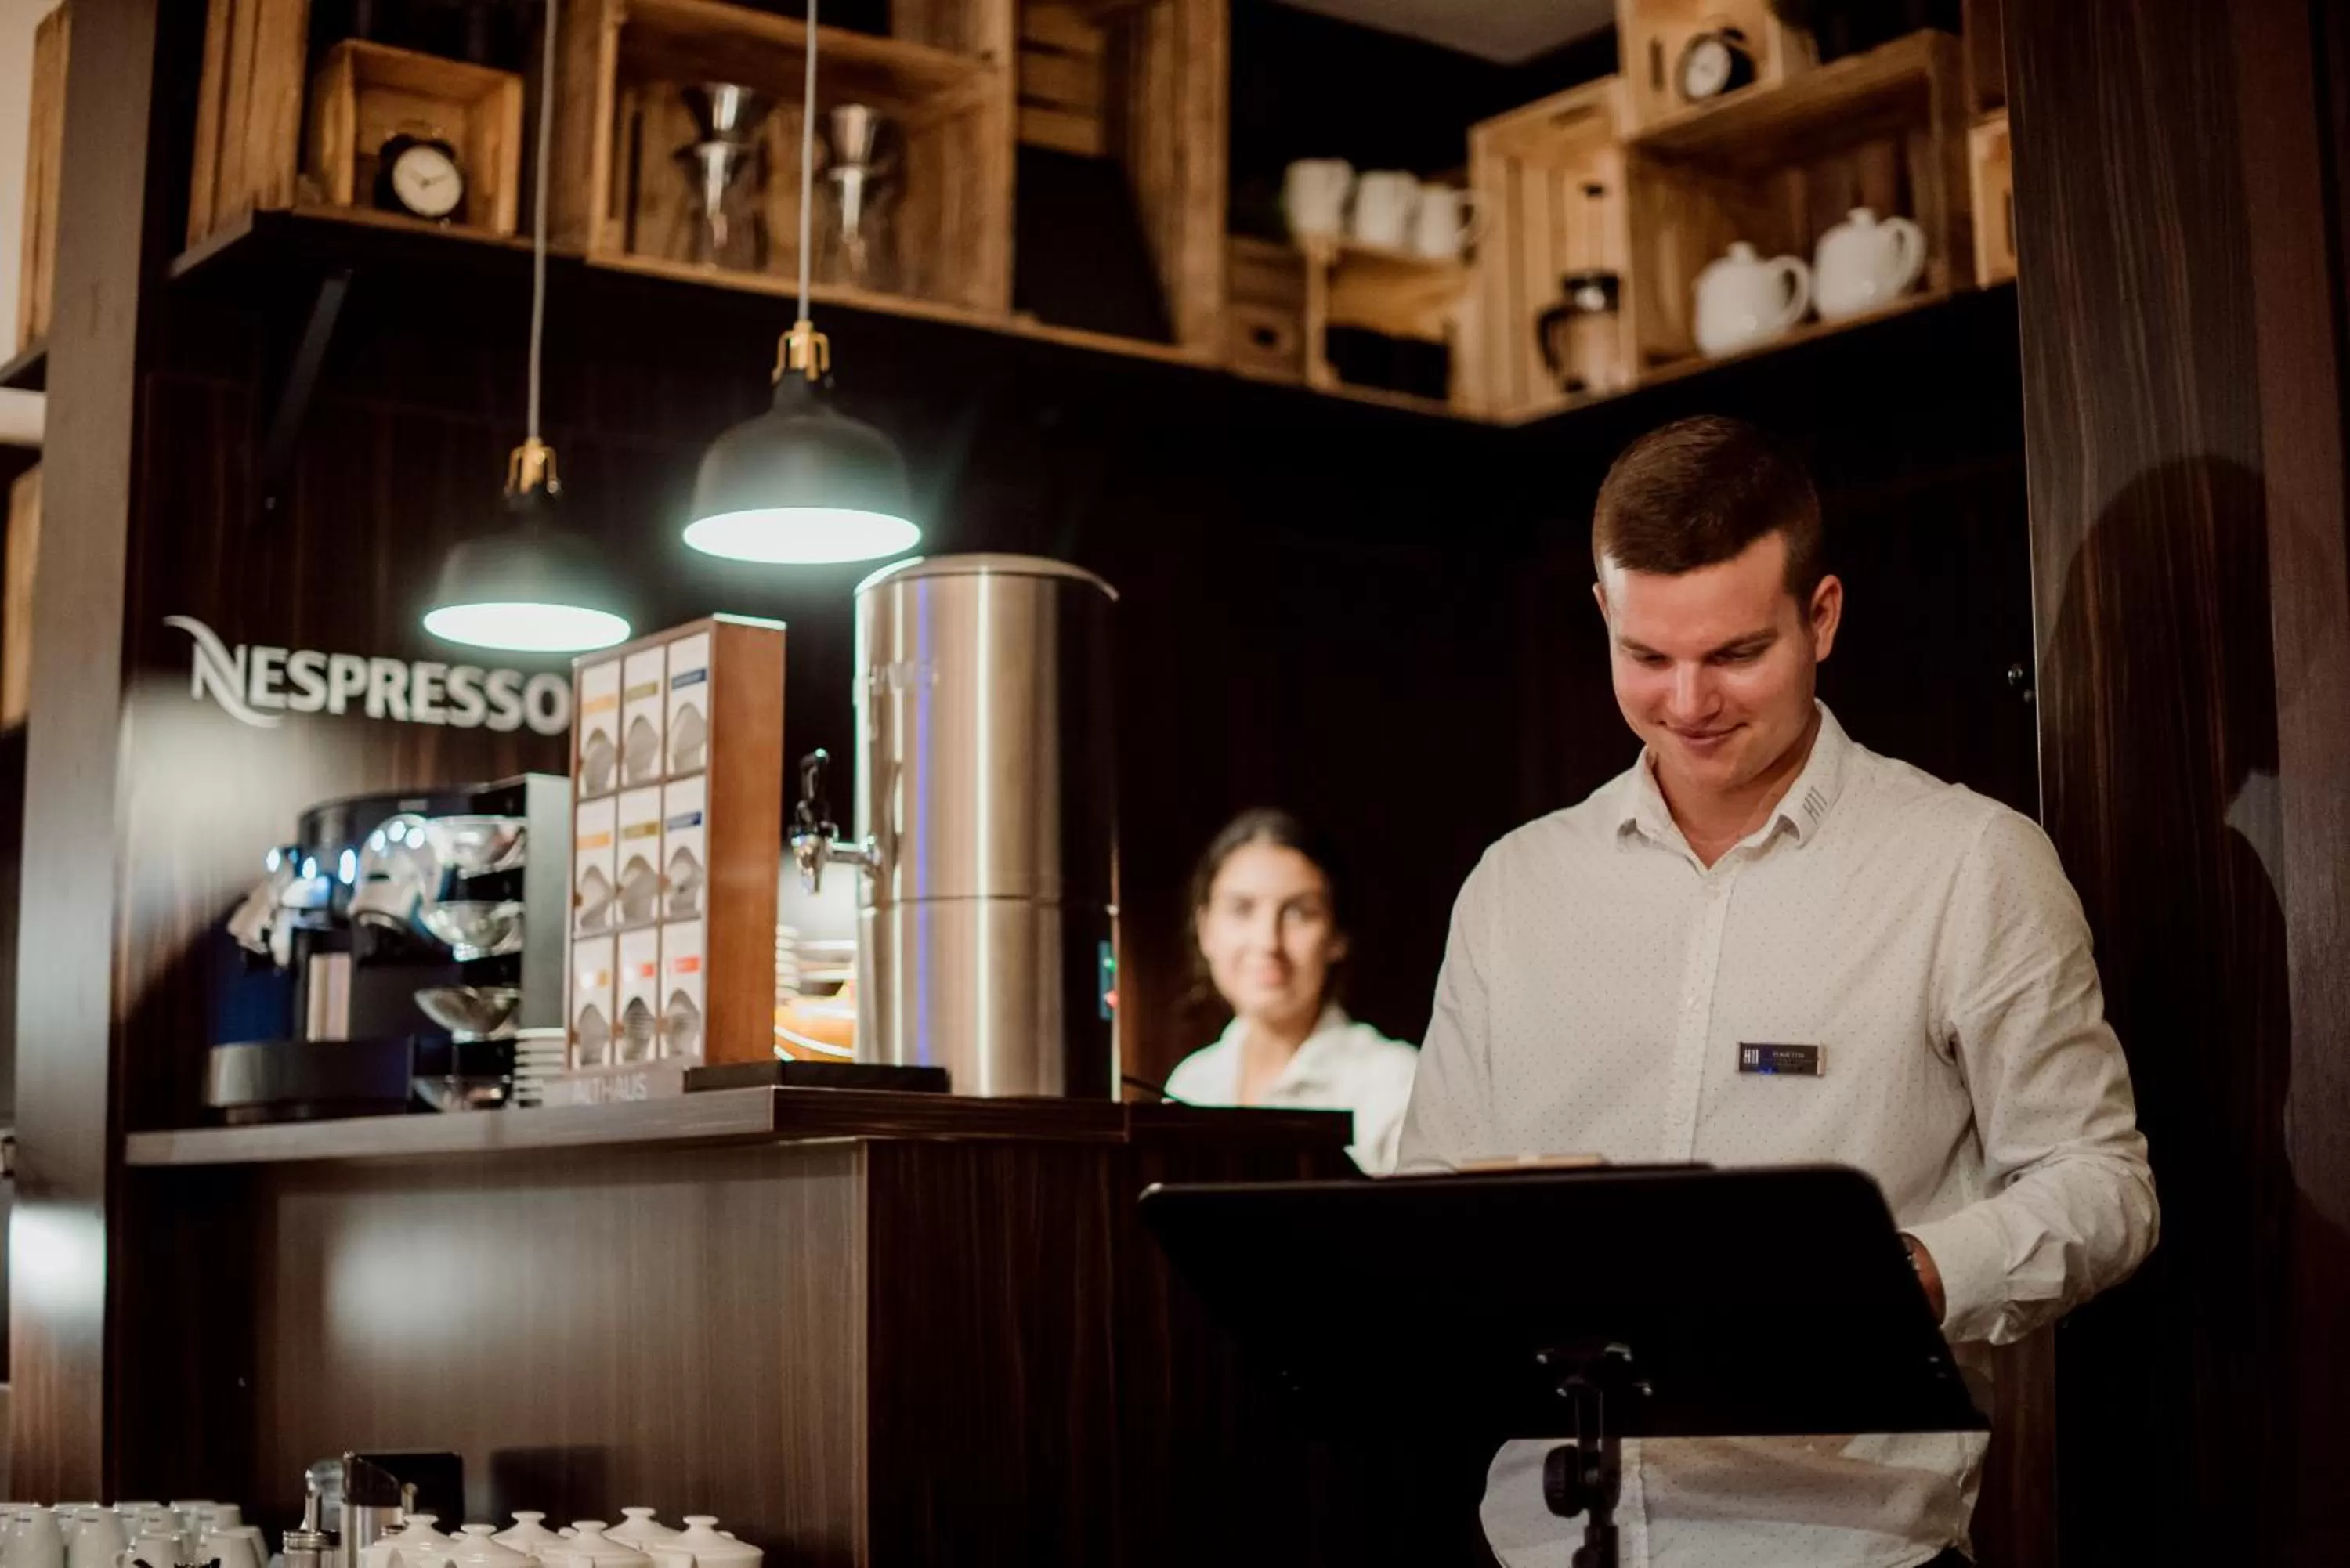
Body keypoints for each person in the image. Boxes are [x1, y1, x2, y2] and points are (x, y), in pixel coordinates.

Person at [1397, 416, 2159, 1566]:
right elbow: (1429, 1206)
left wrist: (1913, 1271)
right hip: (1546, 1544)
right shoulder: (1515, 887)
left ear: (1824, 616)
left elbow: (2104, 1184)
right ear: (1603, 615)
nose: (1689, 700)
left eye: (1736, 654)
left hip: (1848, 1548)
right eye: (1647, 656)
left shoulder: (1969, 863)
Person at [1166, 809, 1419, 1173]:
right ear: (1205, 929)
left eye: (1299, 913)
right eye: (1242, 910)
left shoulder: (1394, 1084)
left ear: (1338, 936)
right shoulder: (1191, 1085)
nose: (1268, 942)